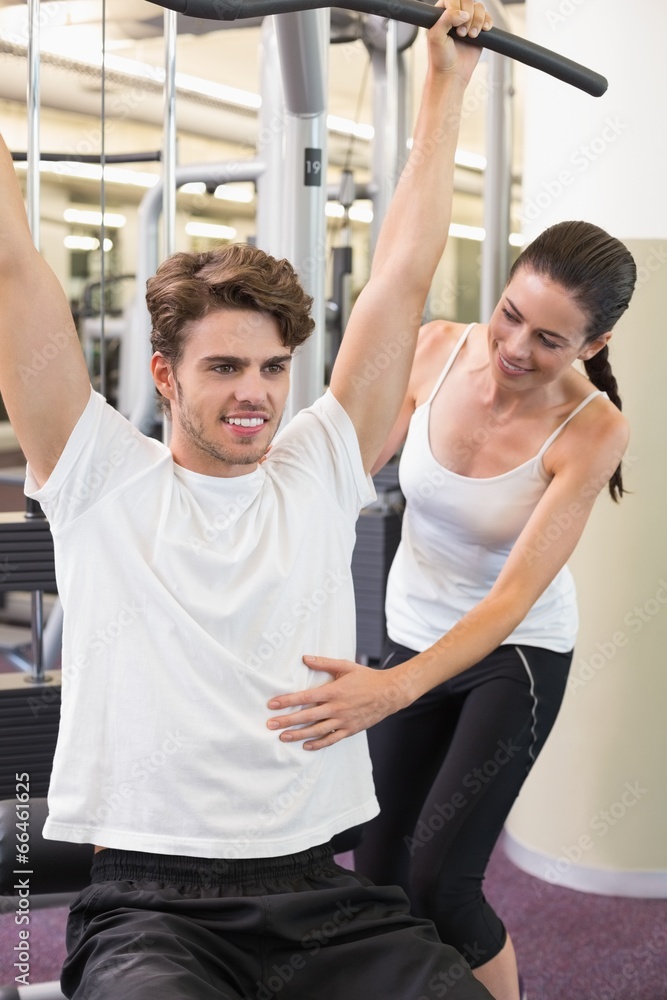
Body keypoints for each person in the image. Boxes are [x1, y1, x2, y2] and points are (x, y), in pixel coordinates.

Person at [0, 3, 497, 999]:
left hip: (322, 892)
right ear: (166, 376)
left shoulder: (319, 466)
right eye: (225, 366)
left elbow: (398, 285)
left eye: (273, 366)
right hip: (152, 907)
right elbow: (12, 268)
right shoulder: (99, 476)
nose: (257, 392)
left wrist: (444, 84)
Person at [265, 220, 637, 1000]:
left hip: (514, 653)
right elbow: (349, 471)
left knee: (442, 884)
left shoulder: (593, 429)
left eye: (548, 339)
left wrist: (393, 686)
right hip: (413, 631)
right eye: (508, 313)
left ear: (592, 346)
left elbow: (512, 598)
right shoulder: (435, 349)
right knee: (378, 869)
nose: (513, 347)